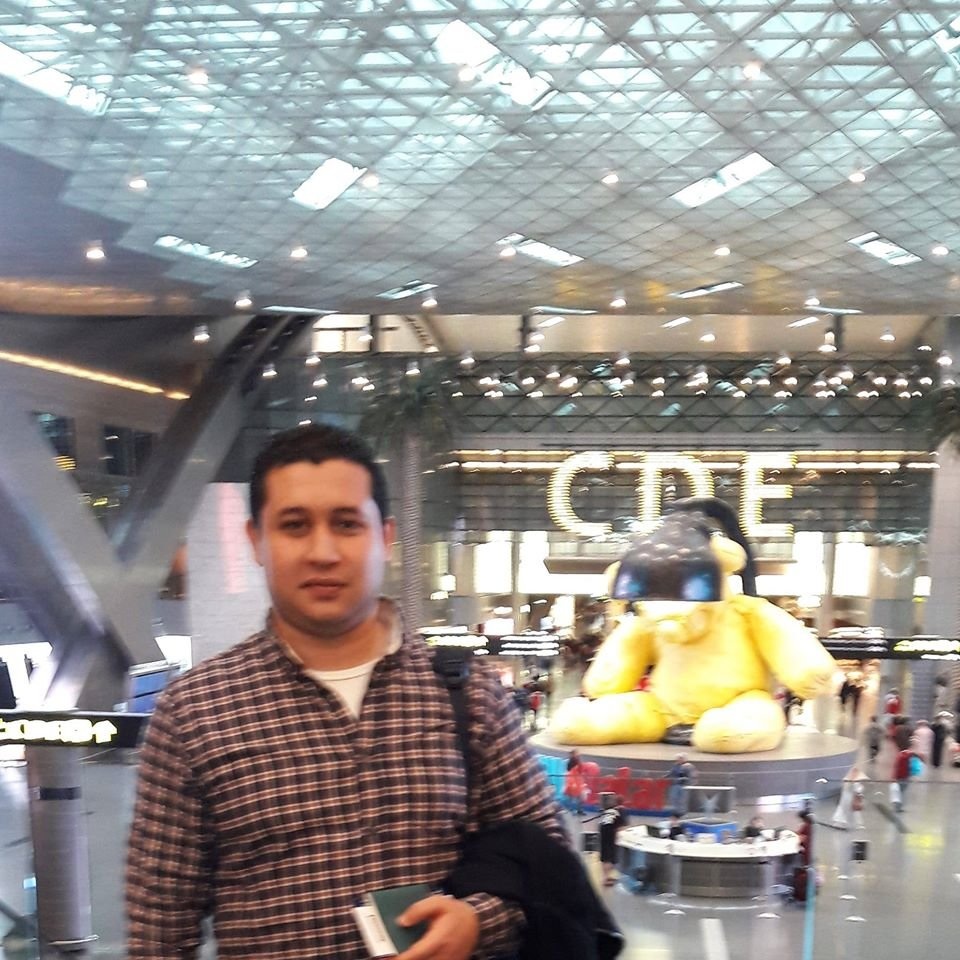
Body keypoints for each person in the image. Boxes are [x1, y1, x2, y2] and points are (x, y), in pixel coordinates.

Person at [125, 423, 566, 960]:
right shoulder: (195, 713)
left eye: (346, 524)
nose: (323, 551)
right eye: (294, 525)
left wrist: (478, 922)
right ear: (256, 541)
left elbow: (549, 855)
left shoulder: (468, 693)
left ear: (385, 537)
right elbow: (160, 927)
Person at [597, 795, 628, 886]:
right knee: (610, 858)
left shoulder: (607, 811)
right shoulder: (620, 812)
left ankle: (606, 876)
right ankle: (606, 878)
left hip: (603, 834)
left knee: (605, 857)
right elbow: (622, 827)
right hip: (611, 836)